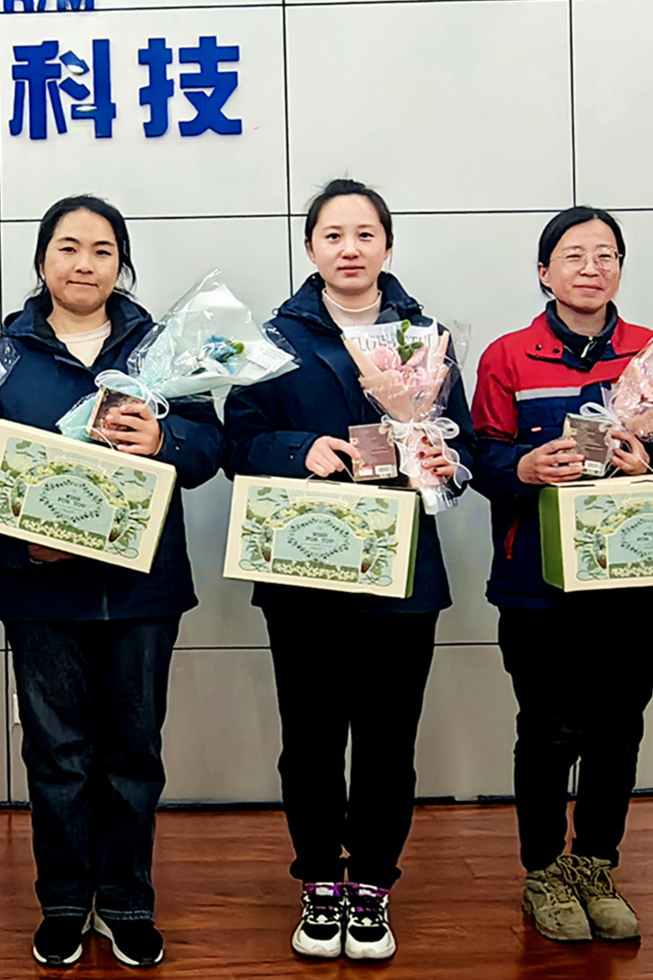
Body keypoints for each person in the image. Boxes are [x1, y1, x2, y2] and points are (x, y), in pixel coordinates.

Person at [0, 195, 222, 970]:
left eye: (102, 250)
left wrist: (163, 438)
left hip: (142, 590)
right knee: (57, 755)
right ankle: (65, 902)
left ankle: (128, 901)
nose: (84, 264)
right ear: (42, 260)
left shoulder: (163, 349)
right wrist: (20, 550)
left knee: (133, 753)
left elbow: (208, 449)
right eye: (68, 248)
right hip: (39, 590)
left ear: (121, 264)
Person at [221, 178, 469, 963]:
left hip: (403, 575)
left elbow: (458, 451)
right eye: (333, 235)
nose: (349, 249)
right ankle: (318, 881)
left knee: (389, 742)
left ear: (386, 246)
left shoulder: (424, 337)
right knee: (310, 740)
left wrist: (443, 461)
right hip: (305, 566)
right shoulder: (273, 340)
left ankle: (372, 886)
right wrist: (302, 449)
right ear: (309, 248)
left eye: (364, 234)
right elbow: (237, 444)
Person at [467, 206, 653, 945]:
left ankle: (596, 865)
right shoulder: (508, 357)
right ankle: (544, 870)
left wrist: (649, 460)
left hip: (633, 577)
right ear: (544, 272)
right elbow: (476, 459)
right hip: (536, 584)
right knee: (548, 731)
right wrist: (522, 466)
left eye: (606, 255)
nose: (590, 267)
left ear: (620, 270)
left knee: (617, 728)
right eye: (573, 255)